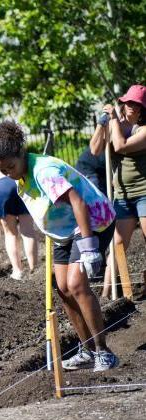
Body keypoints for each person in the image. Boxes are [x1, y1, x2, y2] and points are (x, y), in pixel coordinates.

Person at [0, 120, 118, 372]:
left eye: (11, 167)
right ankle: (86, 349)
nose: (9, 174)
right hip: (63, 231)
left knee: (77, 285)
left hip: (91, 222)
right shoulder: (20, 175)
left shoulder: (43, 171)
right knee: (63, 289)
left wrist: (89, 246)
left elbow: (77, 202)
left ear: (21, 154)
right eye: (4, 171)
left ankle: (104, 352)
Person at [89, 84, 146, 298]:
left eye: (137, 104)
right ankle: (106, 295)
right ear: (123, 102)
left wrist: (113, 121)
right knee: (117, 244)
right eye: (129, 102)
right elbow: (95, 150)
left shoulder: (143, 130)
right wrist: (102, 123)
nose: (132, 106)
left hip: (144, 192)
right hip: (122, 195)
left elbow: (121, 146)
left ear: (142, 109)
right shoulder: (113, 124)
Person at [0, 152, 38, 280]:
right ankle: (34, 269)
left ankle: (17, 271)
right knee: (28, 231)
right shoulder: (6, 158)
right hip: (17, 183)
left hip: (0, 188)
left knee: (10, 233)